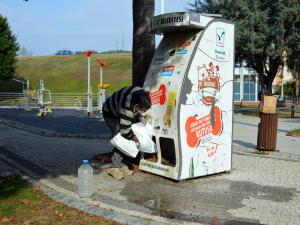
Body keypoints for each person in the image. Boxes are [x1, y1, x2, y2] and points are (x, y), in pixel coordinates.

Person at [102, 86, 152, 179]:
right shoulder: (127, 108)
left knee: (129, 137)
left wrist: (143, 121)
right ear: (136, 106)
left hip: (120, 107)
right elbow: (125, 132)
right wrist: (137, 139)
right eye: (143, 110)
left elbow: (138, 114)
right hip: (111, 113)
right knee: (121, 139)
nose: (144, 112)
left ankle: (121, 163)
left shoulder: (140, 93)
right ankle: (114, 167)